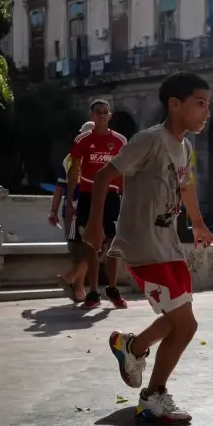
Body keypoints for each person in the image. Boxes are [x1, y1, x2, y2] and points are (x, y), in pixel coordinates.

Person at [83, 72, 213, 424]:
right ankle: (152, 397)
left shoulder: (185, 147)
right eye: (200, 103)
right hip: (142, 245)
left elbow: (186, 188)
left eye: (208, 104)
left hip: (169, 245)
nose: (207, 112)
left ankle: (133, 347)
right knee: (185, 325)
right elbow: (101, 177)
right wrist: (95, 224)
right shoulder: (150, 140)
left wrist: (198, 224)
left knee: (178, 318)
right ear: (175, 104)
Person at [67, 100, 128, 310]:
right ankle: (93, 292)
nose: (102, 116)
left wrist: (126, 197)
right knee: (91, 245)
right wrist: (69, 201)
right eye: (98, 112)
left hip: (111, 196)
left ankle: (112, 288)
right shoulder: (82, 140)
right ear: (91, 116)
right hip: (87, 196)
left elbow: (124, 172)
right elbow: (73, 171)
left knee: (111, 244)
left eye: (105, 112)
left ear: (109, 116)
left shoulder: (119, 141)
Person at [50, 121, 94, 302]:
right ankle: (75, 283)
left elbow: (60, 187)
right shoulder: (79, 158)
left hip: (73, 210)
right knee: (93, 250)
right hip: (82, 208)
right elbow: (61, 186)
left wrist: (53, 211)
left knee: (82, 251)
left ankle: (78, 288)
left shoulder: (69, 158)